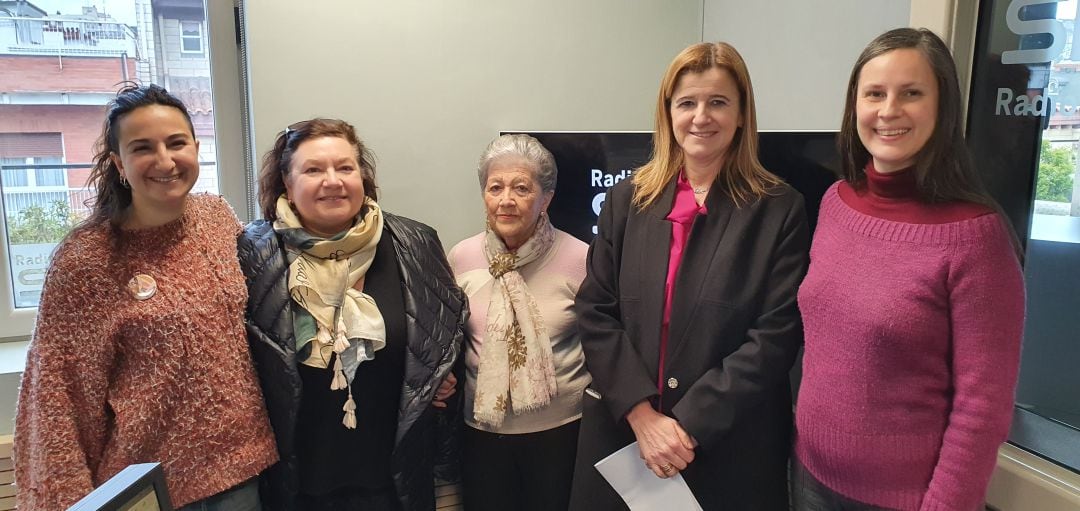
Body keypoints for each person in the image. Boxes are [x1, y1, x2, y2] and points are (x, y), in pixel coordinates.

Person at [569, 42, 810, 510]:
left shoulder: (779, 209)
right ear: (668, 113)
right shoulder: (627, 200)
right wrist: (643, 417)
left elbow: (775, 336)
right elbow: (595, 310)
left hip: (727, 445)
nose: (702, 116)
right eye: (687, 103)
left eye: (718, 102)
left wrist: (687, 426)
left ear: (742, 114)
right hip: (624, 436)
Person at [13, 84, 277, 511]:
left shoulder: (217, 217)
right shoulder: (86, 259)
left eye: (177, 143)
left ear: (195, 147)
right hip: (149, 487)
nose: (165, 161)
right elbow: (57, 396)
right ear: (119, 163)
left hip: (244, 469)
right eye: (142, 148)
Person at [792, 28, 1025, 511]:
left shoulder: (977, 239)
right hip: (809, 476)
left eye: (912, 93)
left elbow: (982, 409)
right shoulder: (837, 203)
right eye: (874, 93)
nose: (889, 110)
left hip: (904, 500)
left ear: (942, 108)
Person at [238, 118, 466, 511]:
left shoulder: (416, 243)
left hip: (395, 483)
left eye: (345, 167)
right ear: (287, 187)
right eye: (313, 170)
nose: (333, 180)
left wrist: (441, 378)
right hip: (297, 486)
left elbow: (448, 329)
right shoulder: (253, 254)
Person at [446, 134, 591, 511]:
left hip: (563, 435)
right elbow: (445, 339)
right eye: (496, 187)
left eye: (522, 188)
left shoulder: (581, 259)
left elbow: (605, 345)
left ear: (547, 198)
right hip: (481, 435)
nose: (506, 199)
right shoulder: (461, 257)